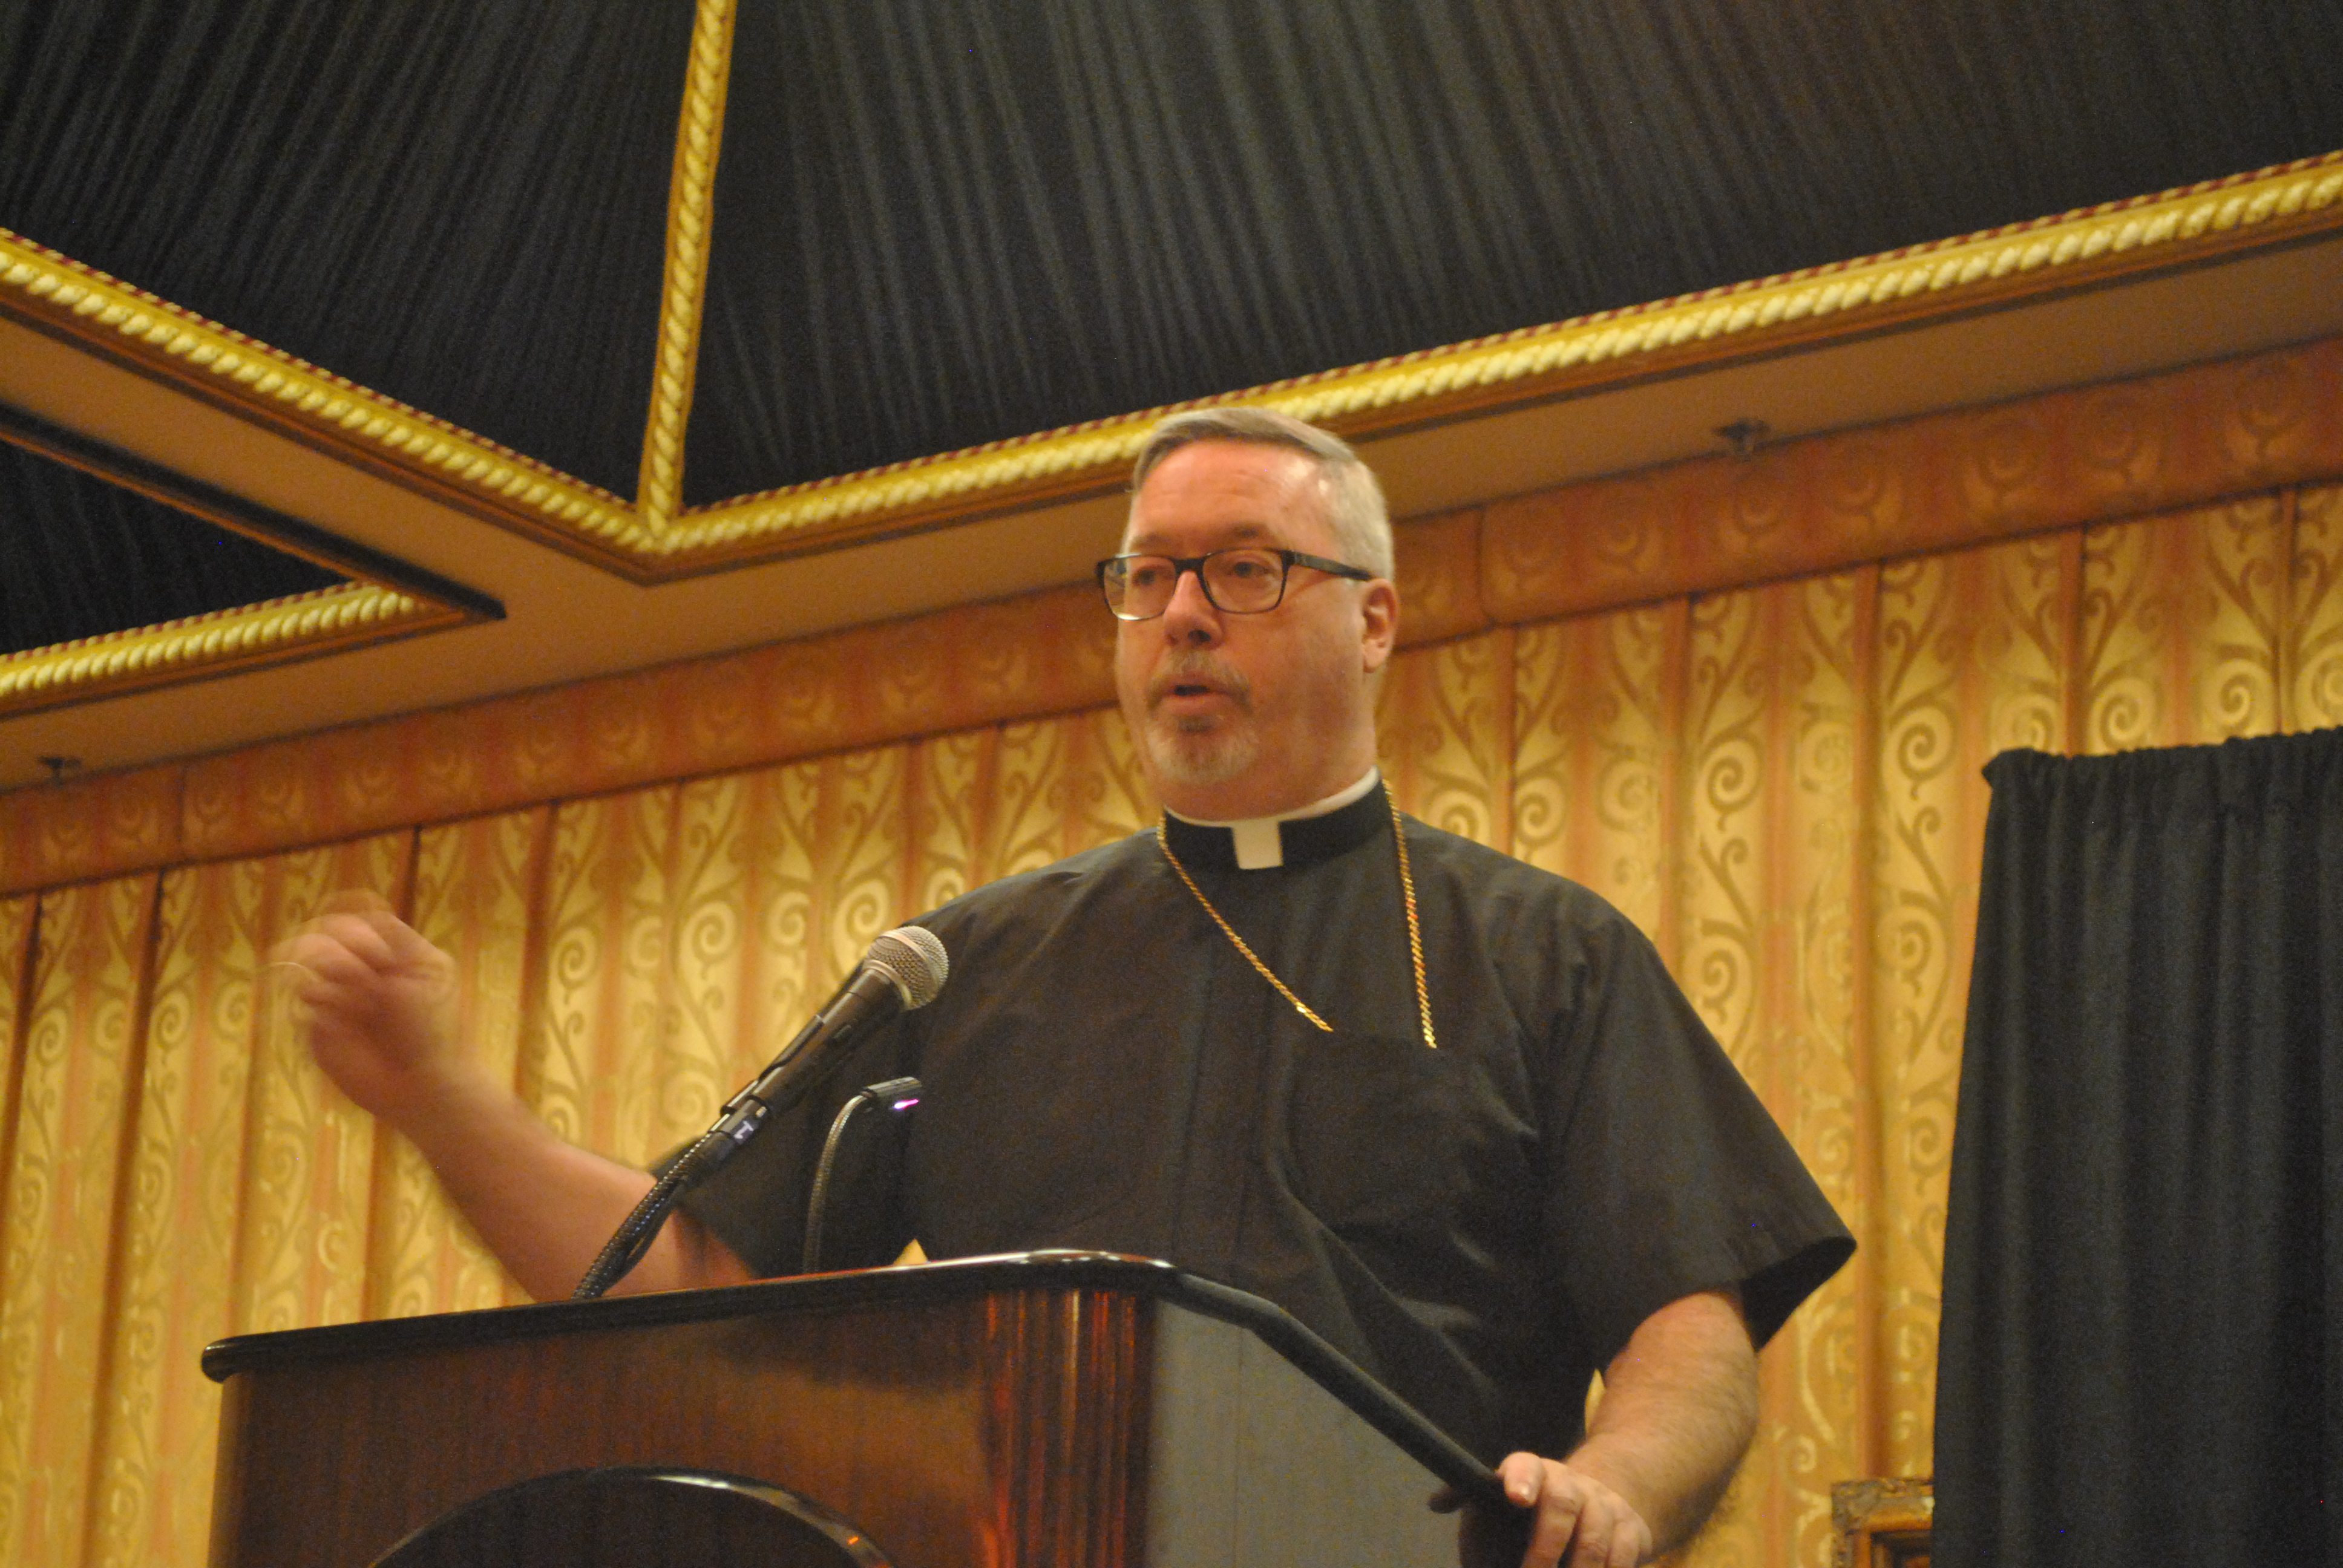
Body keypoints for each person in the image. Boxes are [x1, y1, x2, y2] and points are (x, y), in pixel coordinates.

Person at [283, 408, 1852, 1568]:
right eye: (1146, 576)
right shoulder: (968, 966)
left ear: (1374, 618)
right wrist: (442, 1100)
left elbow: (1687, 1334)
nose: (1180, 614)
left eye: (1243, 569)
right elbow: (688, 1284)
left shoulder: (1545, 955)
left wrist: (1619, 1487)